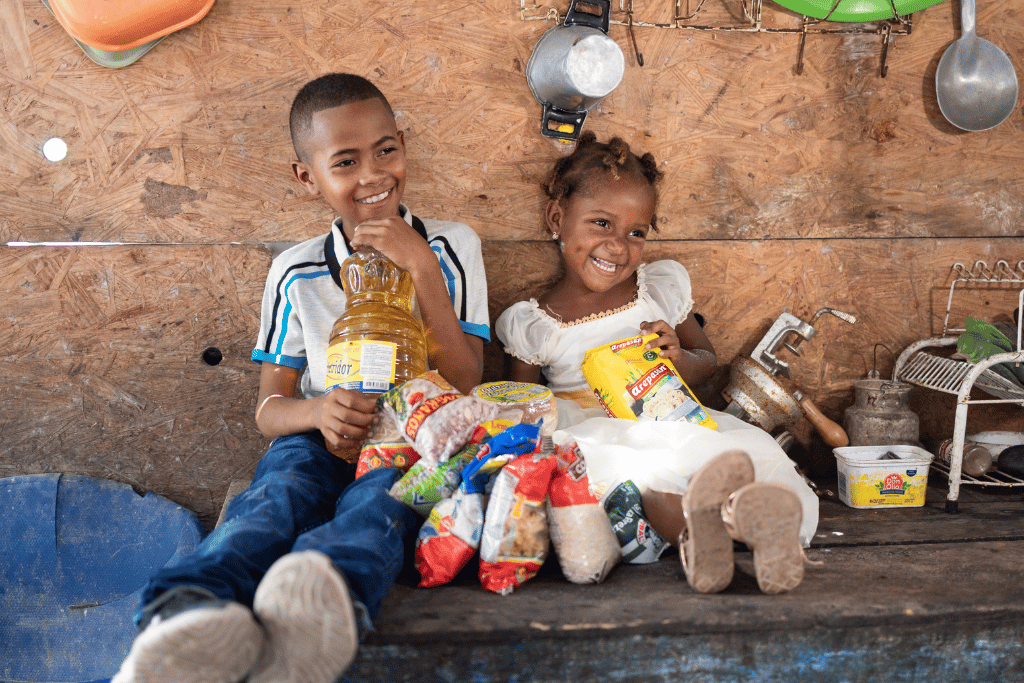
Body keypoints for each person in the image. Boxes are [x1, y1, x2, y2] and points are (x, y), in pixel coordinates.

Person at [113, 73, 490, 683]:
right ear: (307, 177)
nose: (373, 175)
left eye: (386, 150)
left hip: (408, 439)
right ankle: (183, 617)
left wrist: (420, 266)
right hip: (316, 435)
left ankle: (318, 608)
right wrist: (319, 414)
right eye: (345, 161)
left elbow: (467, 378)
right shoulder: (296, 271)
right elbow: (270, 411)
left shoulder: (450, 246)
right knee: (274, 499)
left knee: (379, 509)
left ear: (404, 146)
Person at [495, 131, 818, 595]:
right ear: (557, 218)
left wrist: (679, 359)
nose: (618, 246)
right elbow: (524, 402)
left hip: (669, 421)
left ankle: (754, 528)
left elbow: (708, 362)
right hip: (593, 433)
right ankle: (705, 541)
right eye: (601, 223)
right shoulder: (535, 325)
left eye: (636, 232)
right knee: (648, 485)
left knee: (716, 464)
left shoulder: (656, 291)